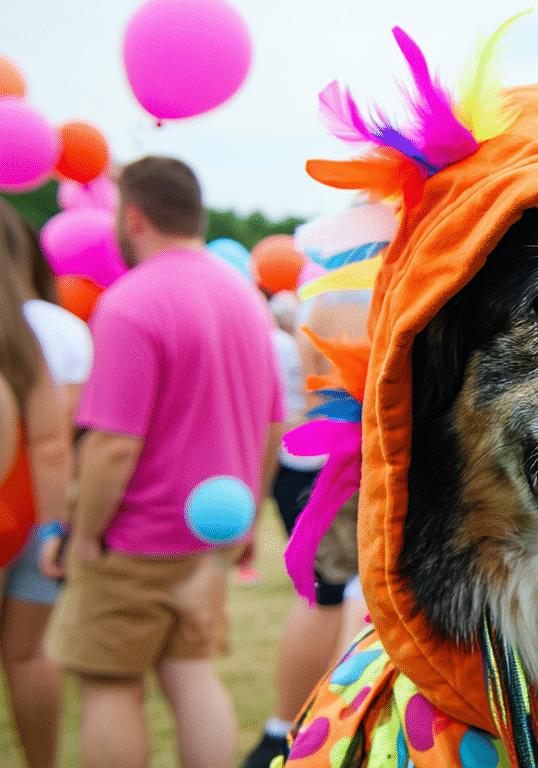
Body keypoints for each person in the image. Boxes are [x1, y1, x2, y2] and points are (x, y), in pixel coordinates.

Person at [46, 156, 286, 768]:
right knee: (193, 676)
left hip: (134, 536)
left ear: (133, 217)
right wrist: (247, 522)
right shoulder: (246, 297)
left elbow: (113, 445)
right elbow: (271, 425)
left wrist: (85, 537)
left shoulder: (129, 303)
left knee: (107, 687)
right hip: (209, 537)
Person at [238, 287, 371, 768]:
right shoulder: (387, 276)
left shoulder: (322, 291)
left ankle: (285, 730)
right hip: (357, 455)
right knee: (354, 591)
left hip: (319, 452)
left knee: (326, 593)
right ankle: (333, 729)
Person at [0, 229, 73, 768]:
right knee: (27, 654)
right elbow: (51, 444)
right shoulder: (27, 333)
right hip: (30, 515)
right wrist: (54, 529)